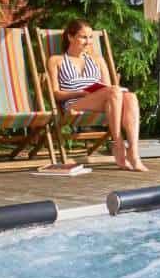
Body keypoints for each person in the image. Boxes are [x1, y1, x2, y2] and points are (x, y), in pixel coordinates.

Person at [46, 19, 148, 172]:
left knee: (131, 97)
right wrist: (81, 92)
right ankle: (118, 144)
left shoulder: (98, 60)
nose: (88, 42)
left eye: (90, 37)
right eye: (83, 37)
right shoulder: (56, 60)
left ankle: (133, 152)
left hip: (104, 101)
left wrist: (102, 90)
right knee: (114, 92)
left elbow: (108, 88)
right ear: (70, 37)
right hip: (74, 102)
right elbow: (56, 94)